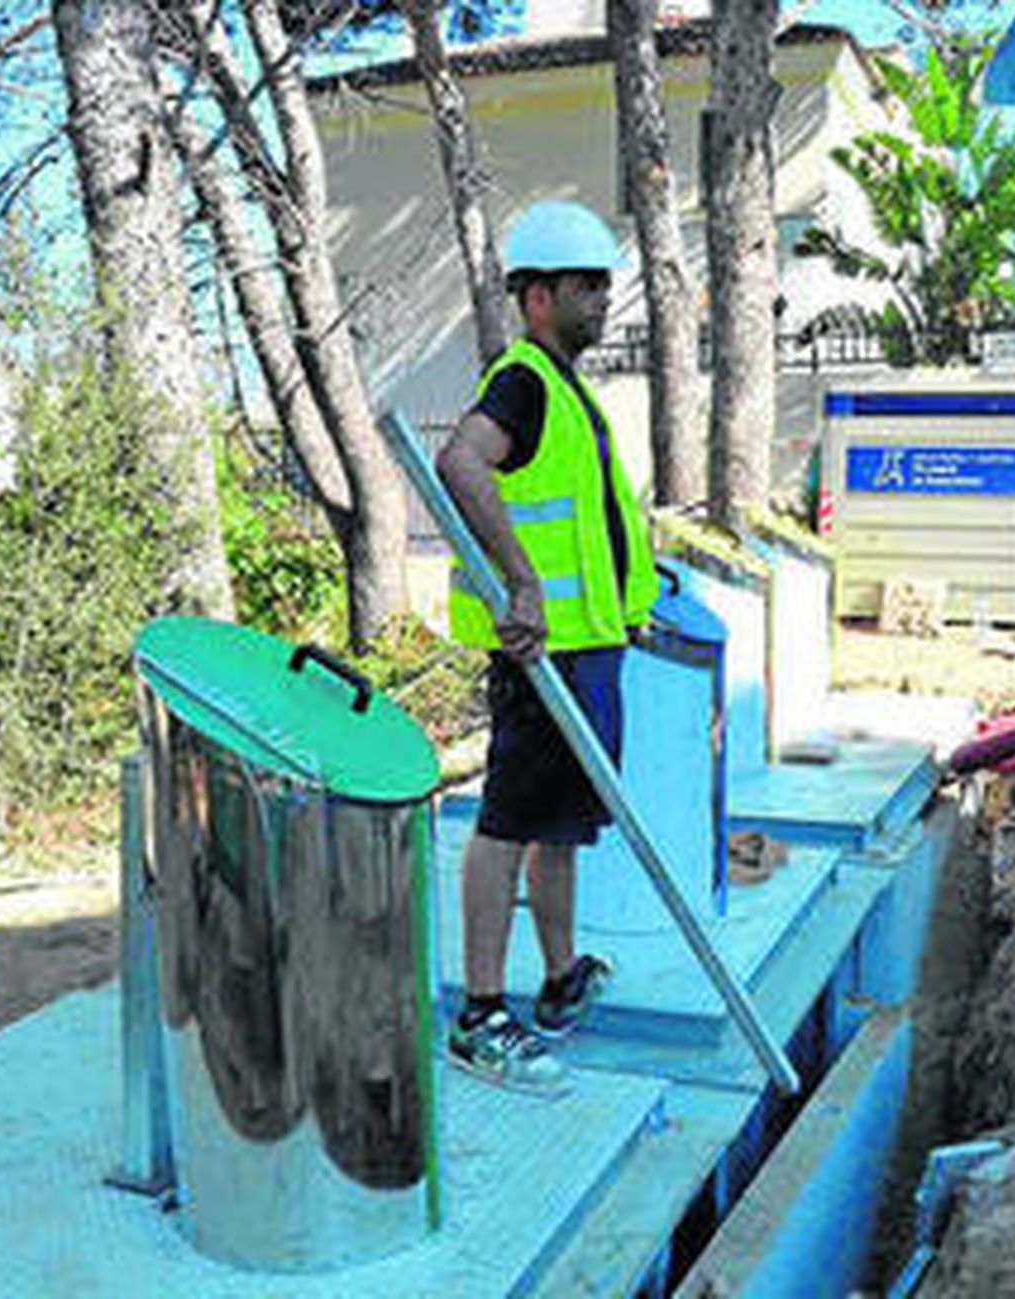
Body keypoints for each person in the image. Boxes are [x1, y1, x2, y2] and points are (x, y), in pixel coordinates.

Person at [435, 200, 658, 1089]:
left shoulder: (567, 390)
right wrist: (521, 582)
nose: (600, 301)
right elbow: (460, 461)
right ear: (534, 297)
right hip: (543, 656)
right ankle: (482, 1012)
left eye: (603, 286)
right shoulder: (523, 380)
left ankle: (559, 980)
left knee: (559, 828)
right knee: (506, 823)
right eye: (582, 287)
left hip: (587, 648)